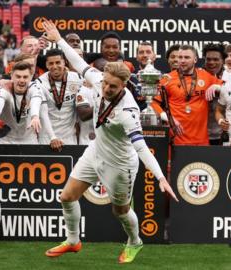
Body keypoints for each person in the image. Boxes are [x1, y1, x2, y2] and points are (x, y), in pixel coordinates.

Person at [41, 20, 178, 264]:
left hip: (120, 163)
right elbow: (79, 62)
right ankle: (73, 241)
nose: (105, 89)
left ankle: (135, 242)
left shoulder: (129, 113)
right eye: (105, 83)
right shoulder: (98, 80)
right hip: (95, 152)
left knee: (121, 212)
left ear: (124, 86)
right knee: (67, 197)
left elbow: (141, 147)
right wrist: (58, 39)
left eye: (113, 87)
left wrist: (160, 178)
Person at [151, 44, 222, 145]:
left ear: (195, 60)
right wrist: (169, 118)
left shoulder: (206, 77)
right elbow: (153, 103)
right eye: (180, 57)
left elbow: (229, 89)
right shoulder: (167, 79)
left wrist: (217, 87)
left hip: (201, 141)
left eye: (187, 57)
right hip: (176, 139)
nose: (182, 60)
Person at [31, 49, 84, 149]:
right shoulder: (40, 83)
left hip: (69, 137)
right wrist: (52, 137)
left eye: (58, 62)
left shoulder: (78, 79)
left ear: (65, 62)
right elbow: (43, 112)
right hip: (47, 138)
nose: (54, 66)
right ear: (46, 65)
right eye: (51, 63)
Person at [0, 61, 43, 144]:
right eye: (18, 76)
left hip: (29, 140)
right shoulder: (4, 88)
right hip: (5, 139)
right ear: (11, 76)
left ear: (30, 77)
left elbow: (36, 101)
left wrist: (35, 116)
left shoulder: (35, 87)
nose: (22, 80)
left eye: (25, 77)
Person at [202, 43, 227, 145]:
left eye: (216, 59)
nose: (211, 62)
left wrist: (220, 89)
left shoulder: (230, 79)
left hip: (222, 135)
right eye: (208, 59)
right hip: (200, 136)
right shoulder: (197, 78)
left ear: (223, 61)